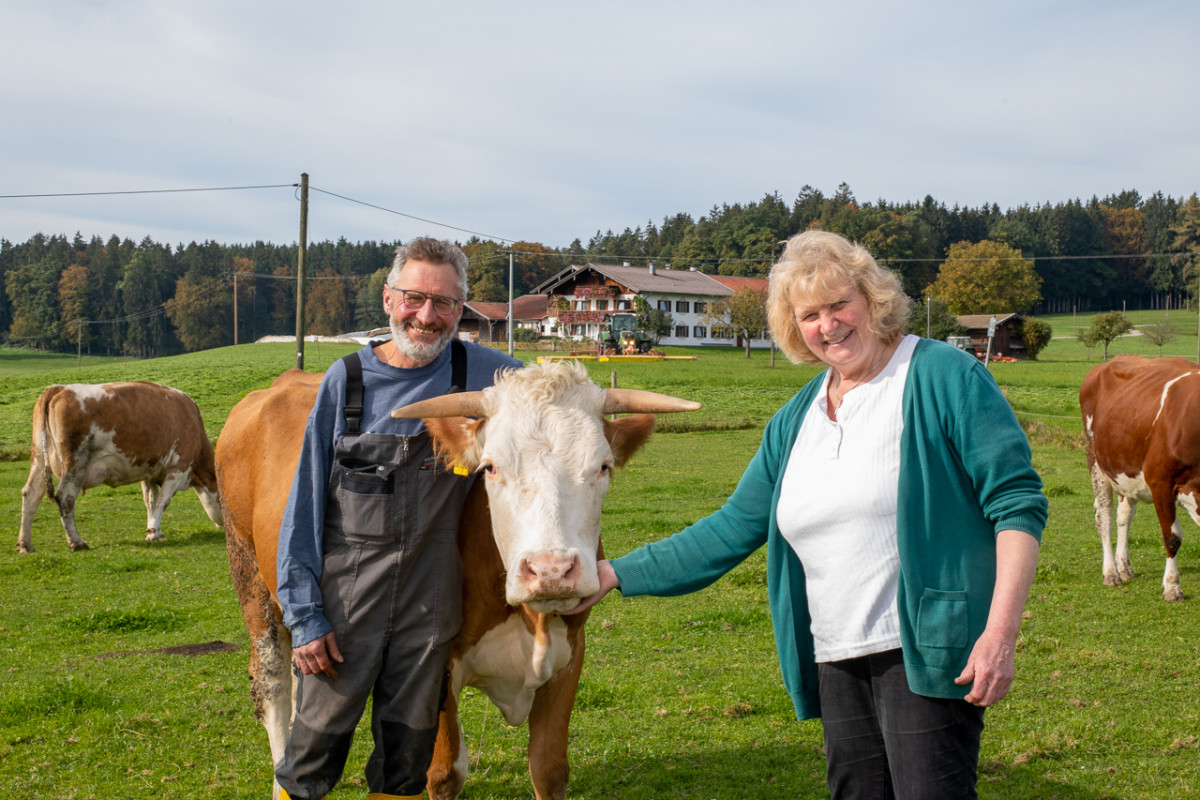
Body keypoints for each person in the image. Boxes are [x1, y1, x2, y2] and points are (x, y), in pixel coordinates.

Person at [568, 230, 1047, 799]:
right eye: (809, 314)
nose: (828, 324)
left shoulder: (943, 376)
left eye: (840, 304)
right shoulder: (796, 420)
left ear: (873, 300)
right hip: (836, 653)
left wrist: (1000, 634)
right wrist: (617, 572)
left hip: (923, 647)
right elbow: (733, 526)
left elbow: (1016, 503)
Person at [274, 237, 521, 800]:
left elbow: (547, 393)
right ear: (389, 299)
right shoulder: (348, 382)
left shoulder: (484, 374)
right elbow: (304, 509)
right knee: (312, 757)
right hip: (345, 609)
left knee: (407, 761)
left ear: (462, 311)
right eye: (414, 298)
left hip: (430, 612)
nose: (427, 317)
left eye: (445, 305)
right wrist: (306, 617)